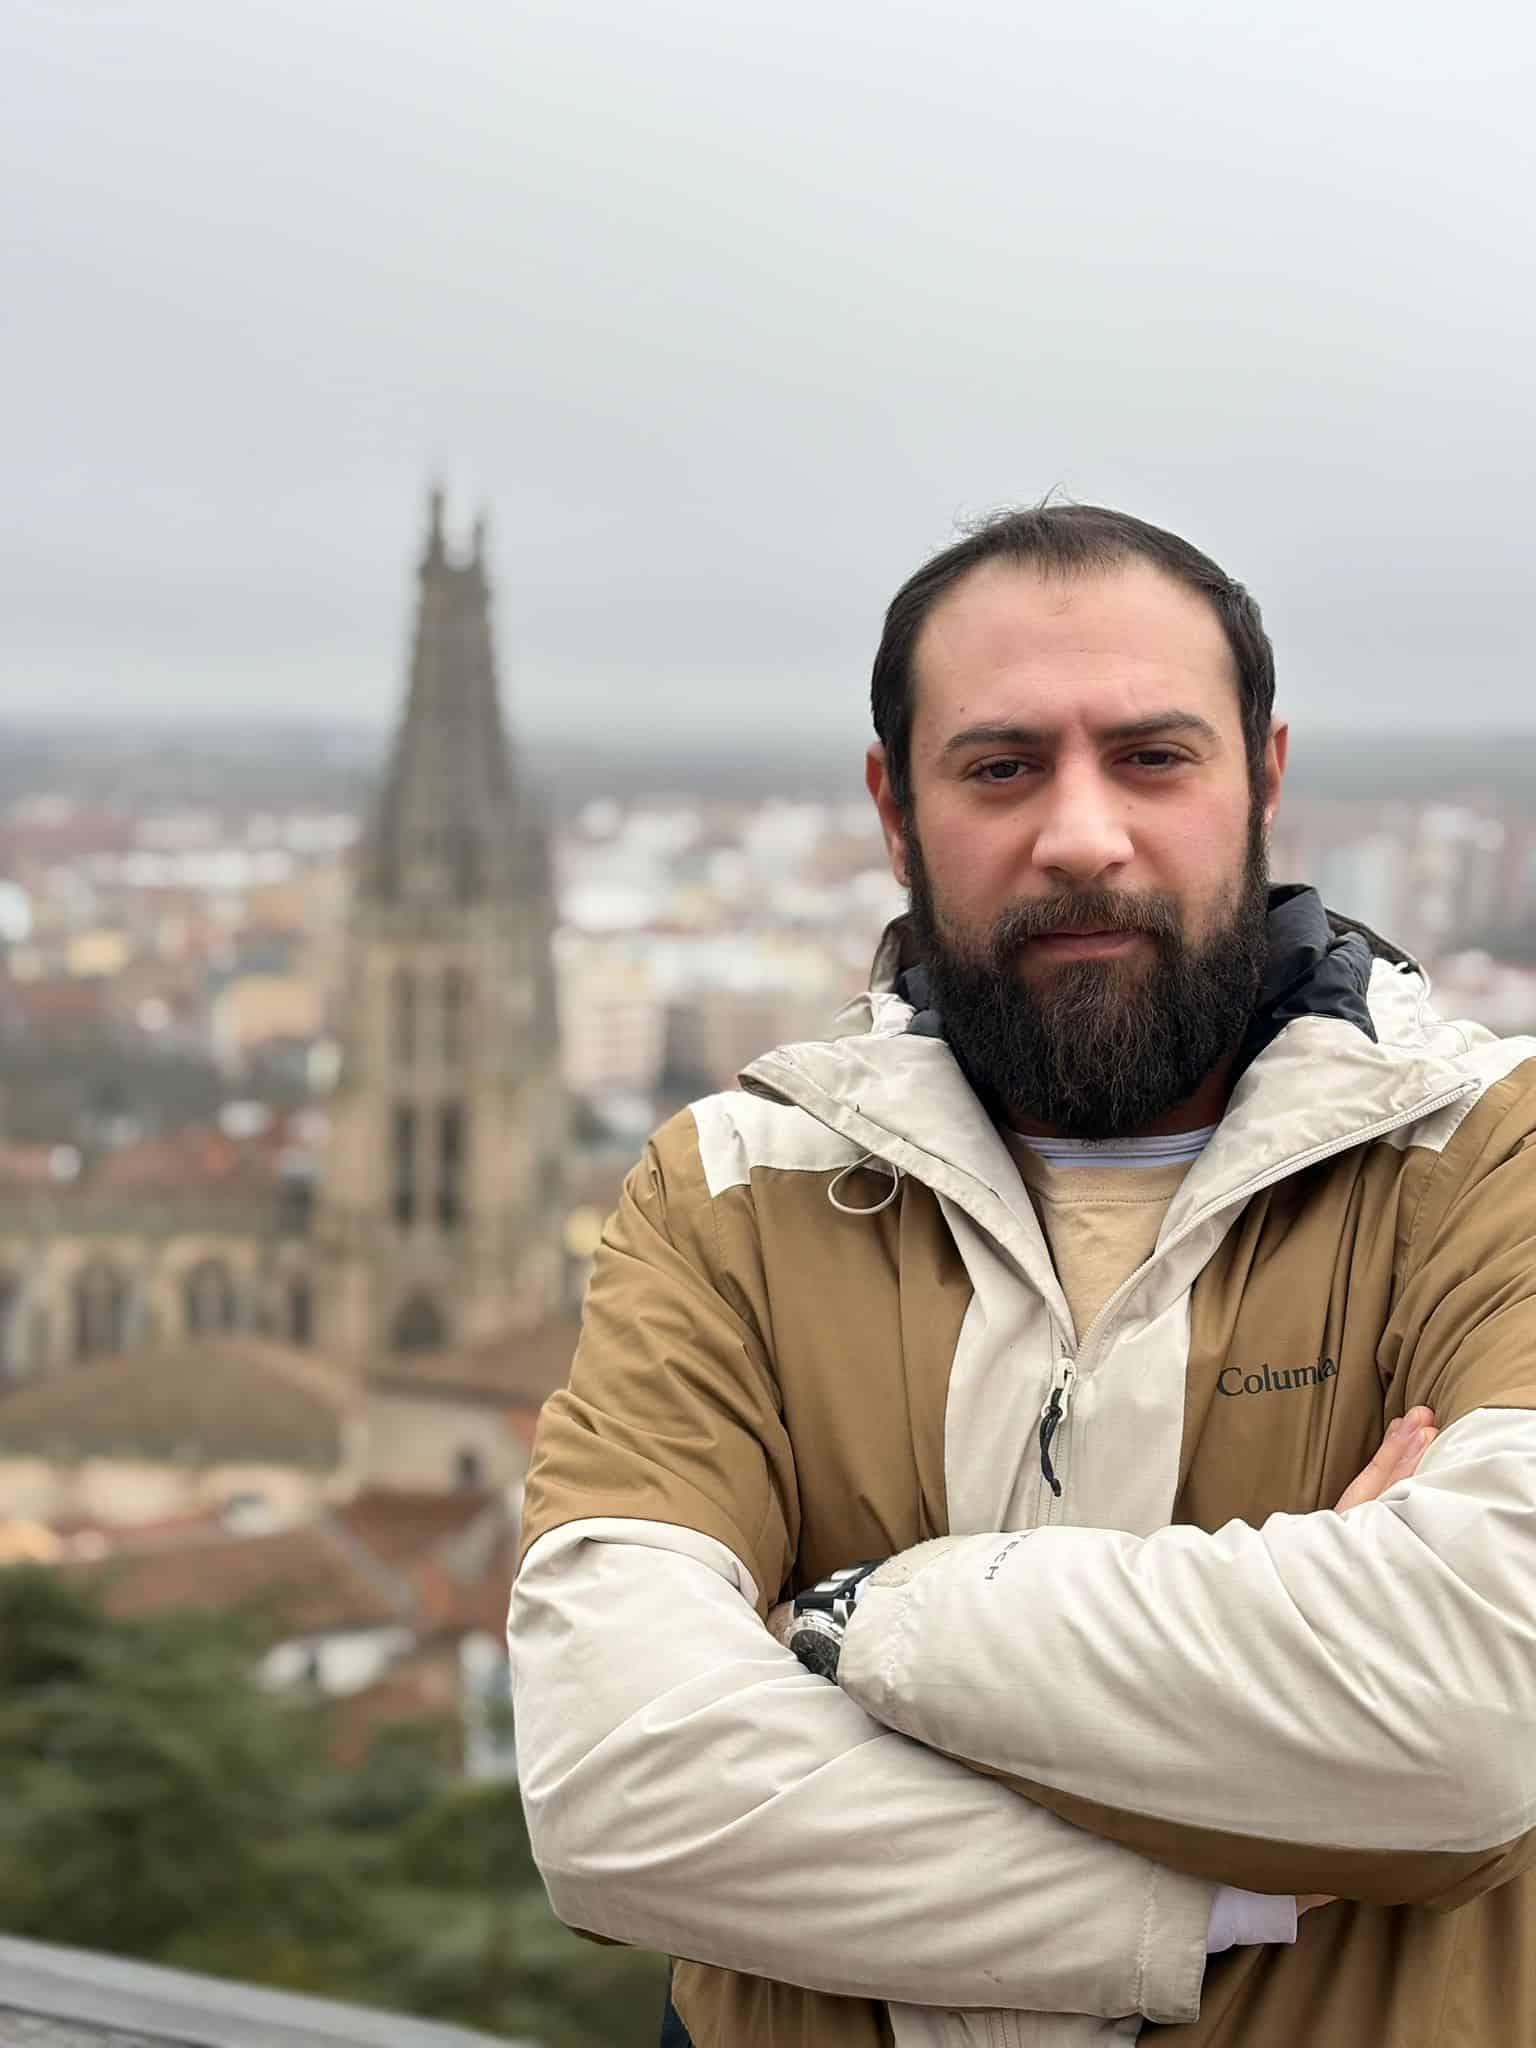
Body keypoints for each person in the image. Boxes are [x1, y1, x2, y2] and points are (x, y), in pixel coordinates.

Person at [509, 505, 1536, 2048]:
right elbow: (618, 1793)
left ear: (1263, 777)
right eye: (1001, 768)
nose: (1081, 836)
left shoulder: (1494, 1158)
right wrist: (1226, 1889)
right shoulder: (727, 1193)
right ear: (895, 808)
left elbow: (1474, 1734)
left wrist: (850, 1627)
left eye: (1153, 757)